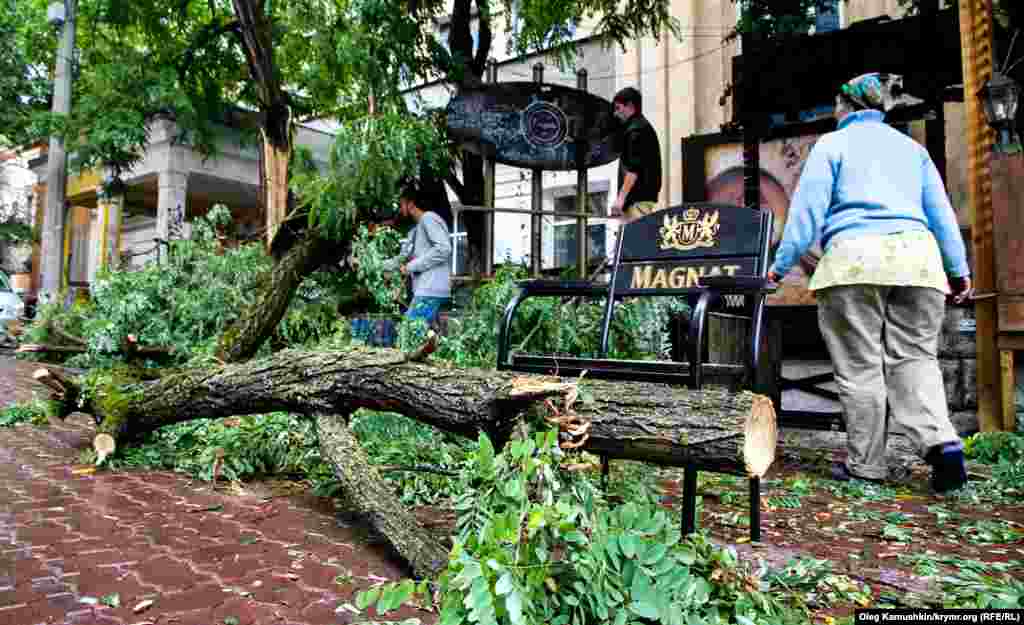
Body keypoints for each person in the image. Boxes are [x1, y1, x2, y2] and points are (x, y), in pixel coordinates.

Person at [767, 72, 974, 494]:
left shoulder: (832, 145)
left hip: (853, 264)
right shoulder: (912, 150)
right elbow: (941, 215)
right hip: (918, 264)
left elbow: (806, 216)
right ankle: (942, 442)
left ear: (844, 106)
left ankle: (867, 466)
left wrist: (778, 266)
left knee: (860, 367)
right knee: (916, 359)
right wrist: (959, 269)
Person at [383, 180, 453, 327]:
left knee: (409, 332)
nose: (400, 209)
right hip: (425, 290)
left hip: (430, 289)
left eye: (401, 204)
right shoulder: (415, 231)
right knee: (428, 337)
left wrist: (411, 267)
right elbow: (400, 260)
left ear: (410, 204)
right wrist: (371, 264)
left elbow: (444, 249)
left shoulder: (429, 219)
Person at [612, 87, 662, 221]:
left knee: (637, 240)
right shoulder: (639, 128)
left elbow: (634, 169)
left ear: (629, 106)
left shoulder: (636, 130)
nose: (616, 113)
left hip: (637, 201)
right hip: (639, 200)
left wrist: (620, 199)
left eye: (618, 108)